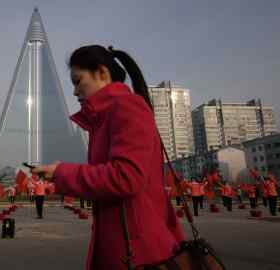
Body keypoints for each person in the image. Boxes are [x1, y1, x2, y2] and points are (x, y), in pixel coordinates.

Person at [31, 45, 184, 269]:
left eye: (77, 81)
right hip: (122, 246)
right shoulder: (103, 118)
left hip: (139, 252)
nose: (74, 92)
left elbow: (125, 177)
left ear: (102, 73)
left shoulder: (127, 106)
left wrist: (62, 172)